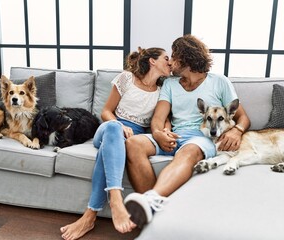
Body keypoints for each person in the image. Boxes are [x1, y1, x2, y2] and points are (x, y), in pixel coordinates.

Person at [123, 34, 251, 228]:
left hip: (200, 138)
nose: (170, 62)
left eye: (173, 56)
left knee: (189, 152)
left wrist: (237, 131)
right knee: (133, 144)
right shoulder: (170, 84)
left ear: (186, 58)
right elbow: (158, 119)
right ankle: (153, 210)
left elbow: (243, 117)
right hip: (173, 135)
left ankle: (151, 201)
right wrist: (158, 133)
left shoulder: (219, 82)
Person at [60, 47, 171, 240]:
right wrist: (118, 125)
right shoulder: (126, 78)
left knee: (109, 151)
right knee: (112, 129)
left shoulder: (162, 90)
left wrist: (166, 129)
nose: (170, 62)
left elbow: (163, 118)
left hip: (131, 137)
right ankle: (116, 199)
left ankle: (89, 217)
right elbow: (106, 112)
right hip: (109, 129)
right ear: (152, 61)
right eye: (166, 58)